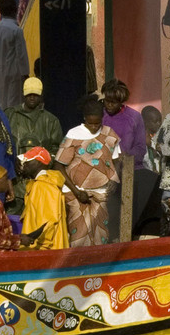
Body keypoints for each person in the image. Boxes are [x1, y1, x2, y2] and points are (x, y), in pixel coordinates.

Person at [56, 98, 121, 247]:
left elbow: (117, 160)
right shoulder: (73, 134)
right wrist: (77, 192)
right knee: (79, 235)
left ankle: (100, 268)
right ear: (84, 118)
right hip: (77, 193)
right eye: (90, 123)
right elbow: (59, 165)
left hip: (101, 193)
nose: (93, 127)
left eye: (97, 123)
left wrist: (114, 180)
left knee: (101, 235)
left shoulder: (109, 134)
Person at [17, 147, 67, 250]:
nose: (24, 164)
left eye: (28, 161)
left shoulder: (43, 186)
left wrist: (39, 246)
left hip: (43, 250)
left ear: (39, 163)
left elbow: (48, 221)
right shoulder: (43, 184)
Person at [0, 0, 30, 112]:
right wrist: (25, 75)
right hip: (14, 73)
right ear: (15, 9)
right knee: (14, 104)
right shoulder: (16, 30)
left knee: (1, 101)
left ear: (0, 11)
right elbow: (21, 55)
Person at [7, 77, 64, 160]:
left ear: (41, 95)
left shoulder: (51, 121)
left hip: (41, 170)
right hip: (14, 168)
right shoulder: (9, 115)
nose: (32, 98)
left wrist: (41, 163)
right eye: (29, 94)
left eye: (36, 95)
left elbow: (57, 150)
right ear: (23, 93)